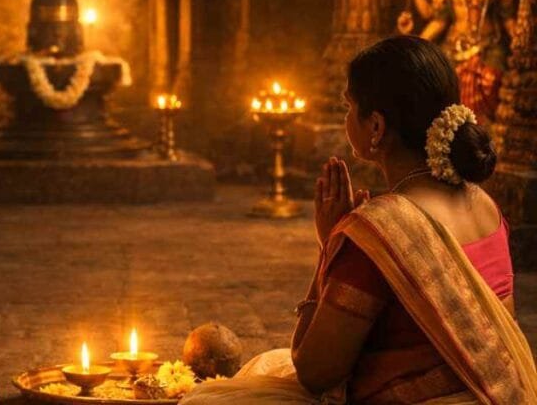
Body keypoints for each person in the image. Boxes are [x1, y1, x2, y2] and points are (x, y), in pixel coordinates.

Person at [181, 36, 537, 404]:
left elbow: (315, 372)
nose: (346, 117)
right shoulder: (485, 206)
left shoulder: (379, 233)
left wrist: (330, 249)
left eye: (349, 107)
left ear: (376, 127)